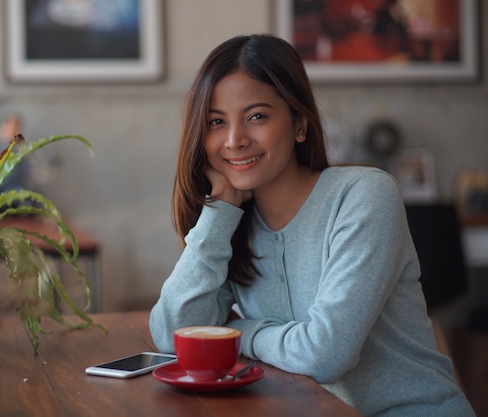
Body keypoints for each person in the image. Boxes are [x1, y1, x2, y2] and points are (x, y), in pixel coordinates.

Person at [149, 34, 475, 417]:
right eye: (216, 122)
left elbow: (325, 355)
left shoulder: (365, 196)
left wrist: (240, 330)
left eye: (257, 116)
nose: (234, 140)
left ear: (300, 123)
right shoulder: (232, 225)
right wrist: (219, 212)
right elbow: (173, 335)